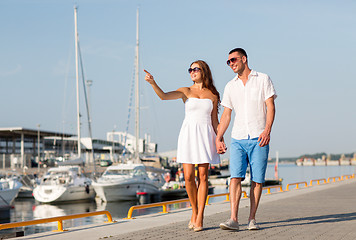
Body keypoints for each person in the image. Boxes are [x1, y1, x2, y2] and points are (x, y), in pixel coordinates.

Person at [144, 60, 220, 232]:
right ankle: (194, 211)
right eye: (190, 69)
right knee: (187, 177)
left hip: (206, 135)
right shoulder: (185, 91)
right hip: (188, 135)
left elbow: (215, 121)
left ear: (204, 71)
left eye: (195, 69)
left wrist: (219, 139)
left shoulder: (213, 94)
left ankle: (200, 215)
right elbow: (163, 96)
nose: (192, 72)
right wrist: (153, 82)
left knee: (203, 176)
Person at [216, 48, 277, 231]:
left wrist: (267, 130)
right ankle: (233, 219)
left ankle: (252, 219)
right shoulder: (230, 86)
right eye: (228, 62)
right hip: (238, 137)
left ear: (244, 59)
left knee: (257, 180)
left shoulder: (263, 79)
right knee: (235, 178)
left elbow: (270, 106)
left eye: (233, 60)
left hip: (259, 136)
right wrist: (219, 137)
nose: (231, 64)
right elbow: (226, 114)